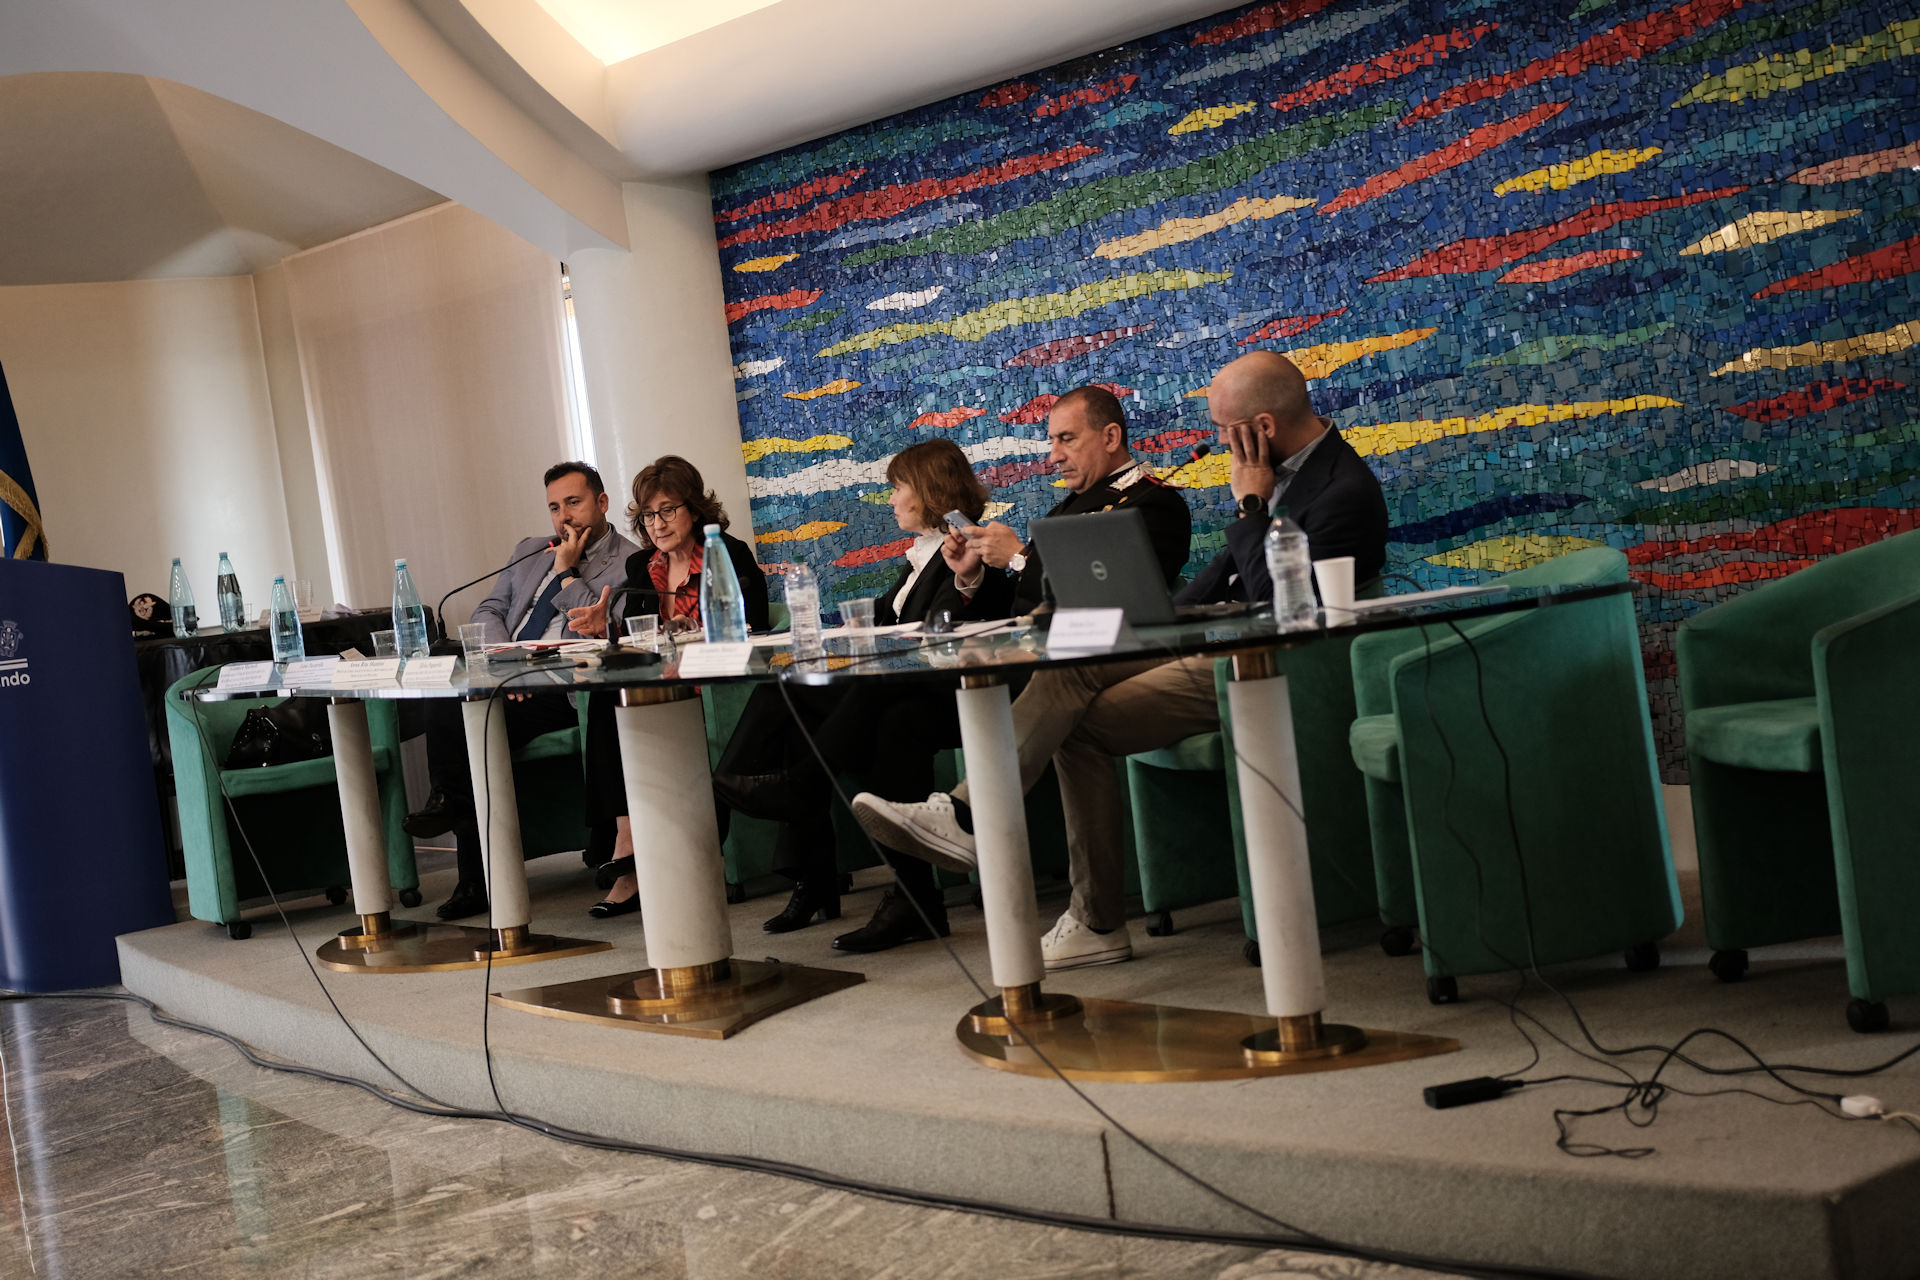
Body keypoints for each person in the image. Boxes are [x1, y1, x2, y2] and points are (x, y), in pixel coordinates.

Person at [849, 351, 1389, 970]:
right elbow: (1215, 580)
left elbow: (1278, 603)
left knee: (1063, 707)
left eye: (1223, 429)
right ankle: (1064, 896)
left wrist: (1249, 507)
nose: (1219, 442)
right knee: (1069, 694)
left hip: (1281, 663)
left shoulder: (1340, 489)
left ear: (1261, 428)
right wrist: (1165, 624)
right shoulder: (1271, 475)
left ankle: (988, 829)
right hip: (1208, 643)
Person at [709, 438, 1012, 946]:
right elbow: (889, 615)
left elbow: (941, 629)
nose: (891, 499)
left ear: (930, 491)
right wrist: (838, 630)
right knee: (790, 690)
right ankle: (778, 822)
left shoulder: (968, 548)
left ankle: (760, 796)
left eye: (898, 487)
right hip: (901, 688)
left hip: (946, 693)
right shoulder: (923, 555)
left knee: (883, 722)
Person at [405, 461, 637, 921]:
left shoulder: (629, 562)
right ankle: (456, 823)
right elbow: (488, 610)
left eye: (574, 502)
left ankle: (472, 868)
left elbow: (604, 629)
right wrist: (509, 661)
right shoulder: (530, 549)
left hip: (566, 688)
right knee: (452, 704)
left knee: (473, 723)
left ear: (602, 503)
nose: (564, 516)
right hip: (508, 676)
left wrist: (568, 572)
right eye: (554, 507)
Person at [566, 455, 769, 918]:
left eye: (667, 510)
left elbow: (753, 625)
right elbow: (639, 638)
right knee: (607, 693)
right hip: (660, 691)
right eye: (647, 515)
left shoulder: (728, 553)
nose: (657, 524)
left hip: (711, 691)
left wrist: (692, 636)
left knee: (616, 700)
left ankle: (629, 863)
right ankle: (627, 840)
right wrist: (606, 626)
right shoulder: (642, 567)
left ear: (694, 509)